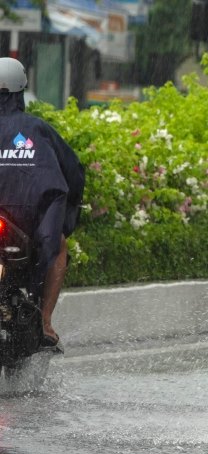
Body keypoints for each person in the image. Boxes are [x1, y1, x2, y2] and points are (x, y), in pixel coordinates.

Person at [0, 57, 84, 348]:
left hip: (16, 231)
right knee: (58, 244)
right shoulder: (37, 130)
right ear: (19, 91)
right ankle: (46, 322)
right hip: (27, 226)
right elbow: (73, 173)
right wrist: (70, 213)